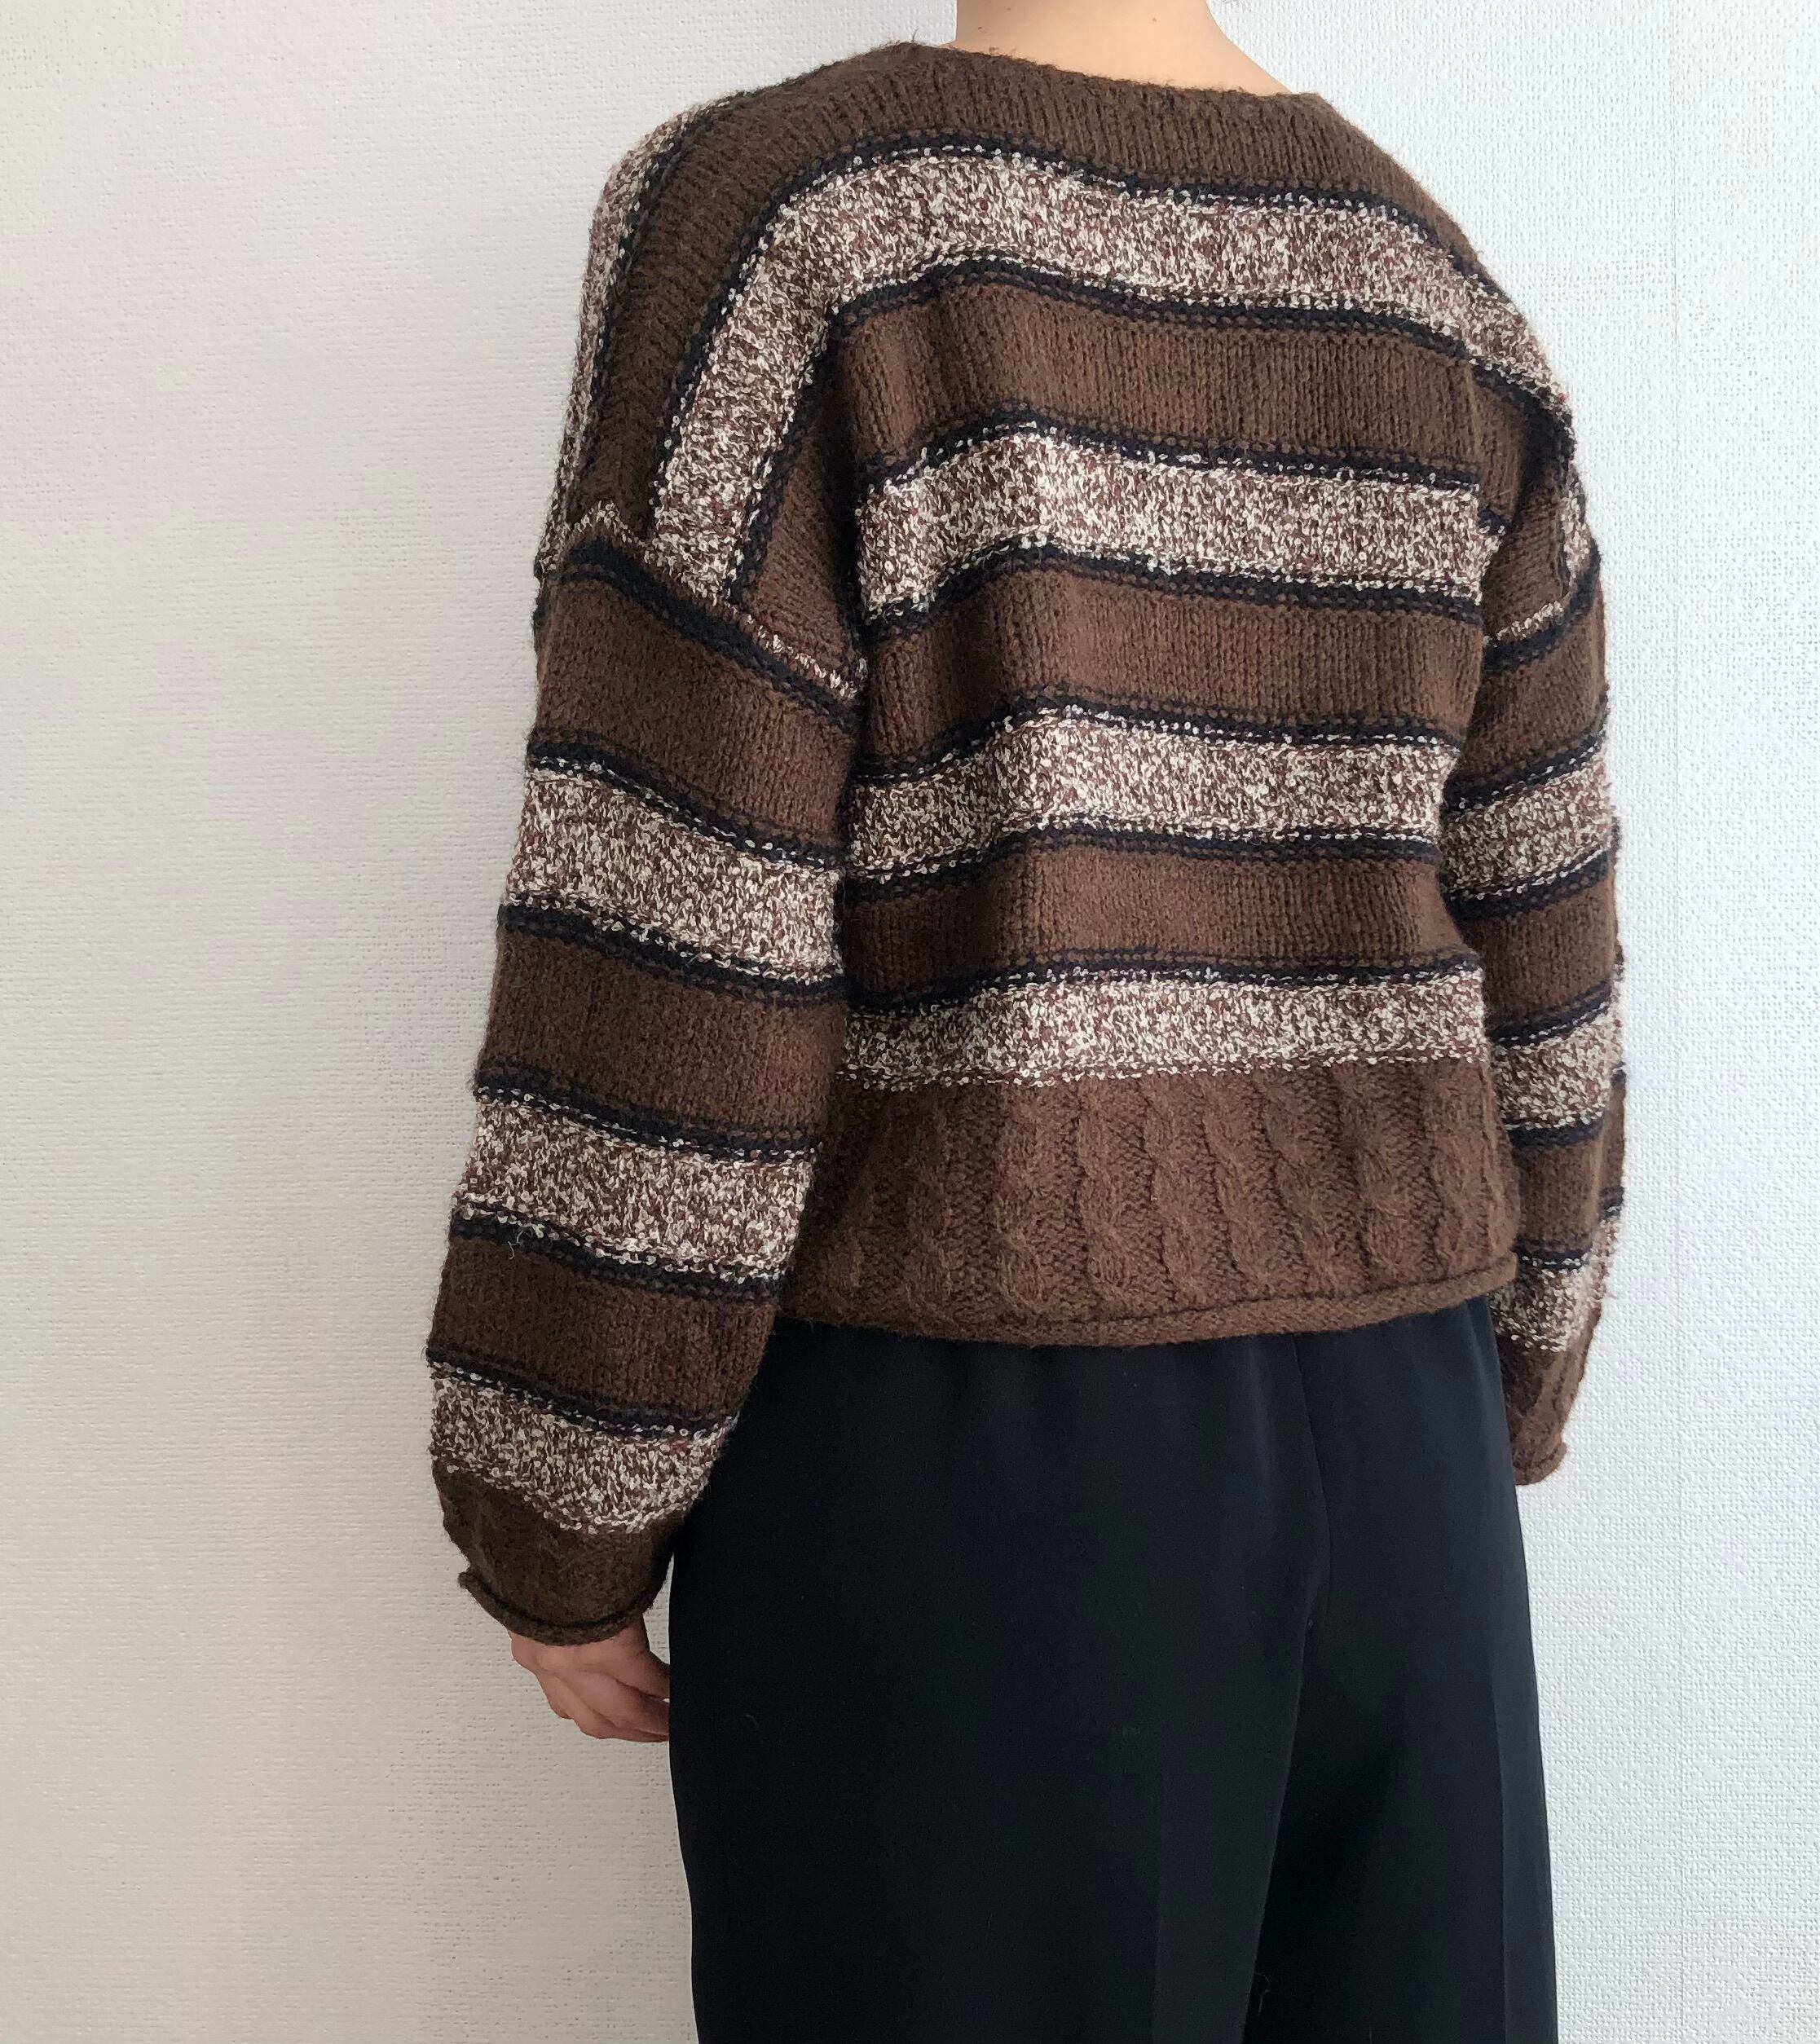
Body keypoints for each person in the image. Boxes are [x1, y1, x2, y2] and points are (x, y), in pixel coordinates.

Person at [422, 2, 1626, 2036]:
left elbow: (675, 919)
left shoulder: (790, 225)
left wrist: (566, 1496)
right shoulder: (1434, 286)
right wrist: (1515, 1373)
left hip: (975, 1471)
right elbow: (1547, 917)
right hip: (1407, 1458)